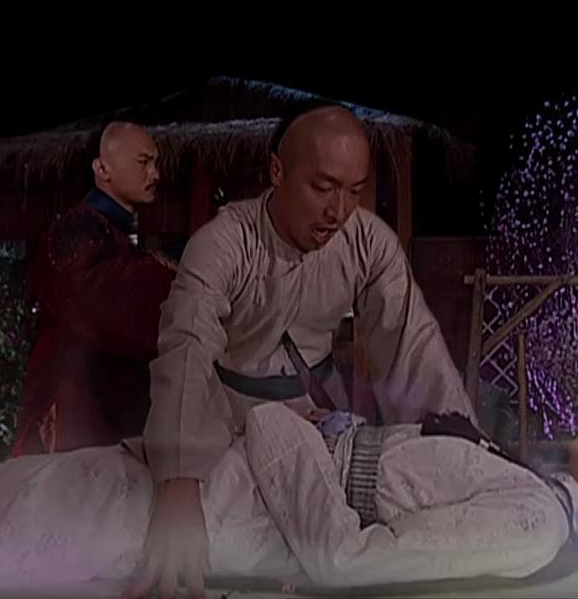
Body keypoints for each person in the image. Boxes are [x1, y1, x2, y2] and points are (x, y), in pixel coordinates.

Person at [131, 102, 478, 597]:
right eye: (322, 187)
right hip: (224, 419)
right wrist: (179, 481)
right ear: (278, 171)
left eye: (353, 191)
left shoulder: (367, 243)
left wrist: (460, 451)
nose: (338, 211)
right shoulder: (224, 243)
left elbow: (411, 344)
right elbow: (186, 349)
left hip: (317, 416)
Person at [0, 403, 578, 594]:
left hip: (213, 509)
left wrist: (279, 422)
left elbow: (343, 556)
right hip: (208, 480)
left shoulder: (532, 523)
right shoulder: (534, 499)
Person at [10, 122, 181, 457]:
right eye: (143, 162)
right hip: (76, 409)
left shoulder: (111, 234)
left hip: (106, 412)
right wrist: (178, 264)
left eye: (155, 163)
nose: (155, 173)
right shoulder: (74, 230)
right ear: (102, 169)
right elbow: (106, 304)